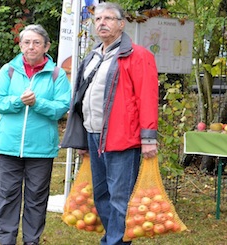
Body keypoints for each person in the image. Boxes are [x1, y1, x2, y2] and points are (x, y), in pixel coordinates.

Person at [60, 2, 159, 244]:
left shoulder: (138, 55)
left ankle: (115, 241)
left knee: (119, 197)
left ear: (121, 24)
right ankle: (113, 237)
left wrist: (148, 138)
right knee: (101, 194)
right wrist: (81, 138)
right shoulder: (93, 56)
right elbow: (81, 98)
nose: (102, 23)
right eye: (98, 19)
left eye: (108, 18)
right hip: (94, 136)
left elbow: (147, 97)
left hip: (123, 138)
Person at [0, 24, 71, 245]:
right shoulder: (8, 70)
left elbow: (61, 107)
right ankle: (6, 240)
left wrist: (37, 103)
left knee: (36, 199)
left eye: (36, 42)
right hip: (7, 146)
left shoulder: (57, 74)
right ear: (21, 45)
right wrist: (18, 101)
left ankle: (31, 241)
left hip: (41, 148)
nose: (31, 47)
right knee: (6, 197)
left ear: (46, 46)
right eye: (26, 42)